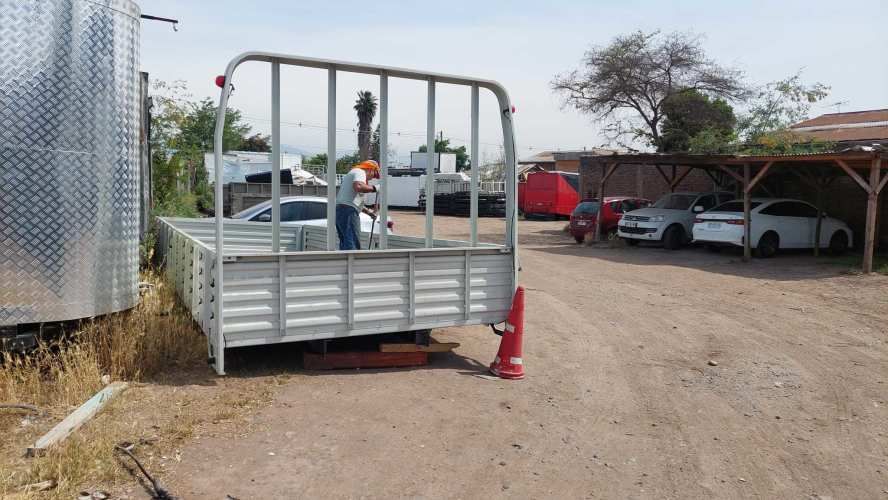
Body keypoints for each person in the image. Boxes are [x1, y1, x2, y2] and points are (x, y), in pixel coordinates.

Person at [336, 160, 380, 250]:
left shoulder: (354, 173)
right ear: (371, 169)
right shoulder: (360, 172)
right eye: (374, 175)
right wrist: (375, 188)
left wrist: (369, 212)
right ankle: (352, 263)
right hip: (348, 212)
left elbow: (353, 201)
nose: (372, 178)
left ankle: (345, 263)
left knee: (345, 243)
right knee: (352, 243)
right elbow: (358, 187)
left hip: (342, 211)